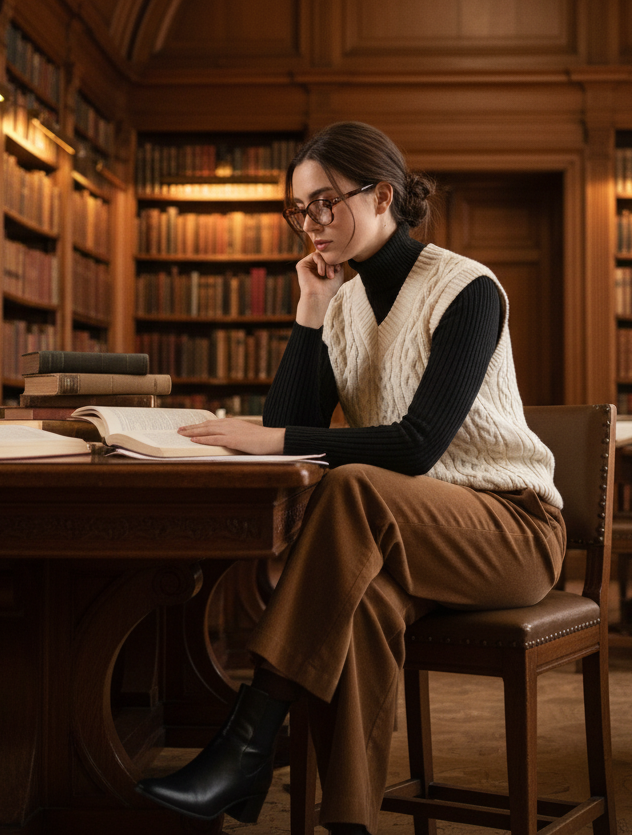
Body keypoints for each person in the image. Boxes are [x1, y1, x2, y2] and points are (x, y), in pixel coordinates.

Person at [136, 121, 566, 835]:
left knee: (351, 486)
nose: (311, 225)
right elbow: (293, 429)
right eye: (299, 210)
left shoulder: (465, 288)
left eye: (325, 203)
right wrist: (308, 317)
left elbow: (416, 447)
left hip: (510, 532)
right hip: (405, 537)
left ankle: (246, 740)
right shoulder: (341, 307)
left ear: (382, 195)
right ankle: (350, 824)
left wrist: (270, 435)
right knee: (362, 606)